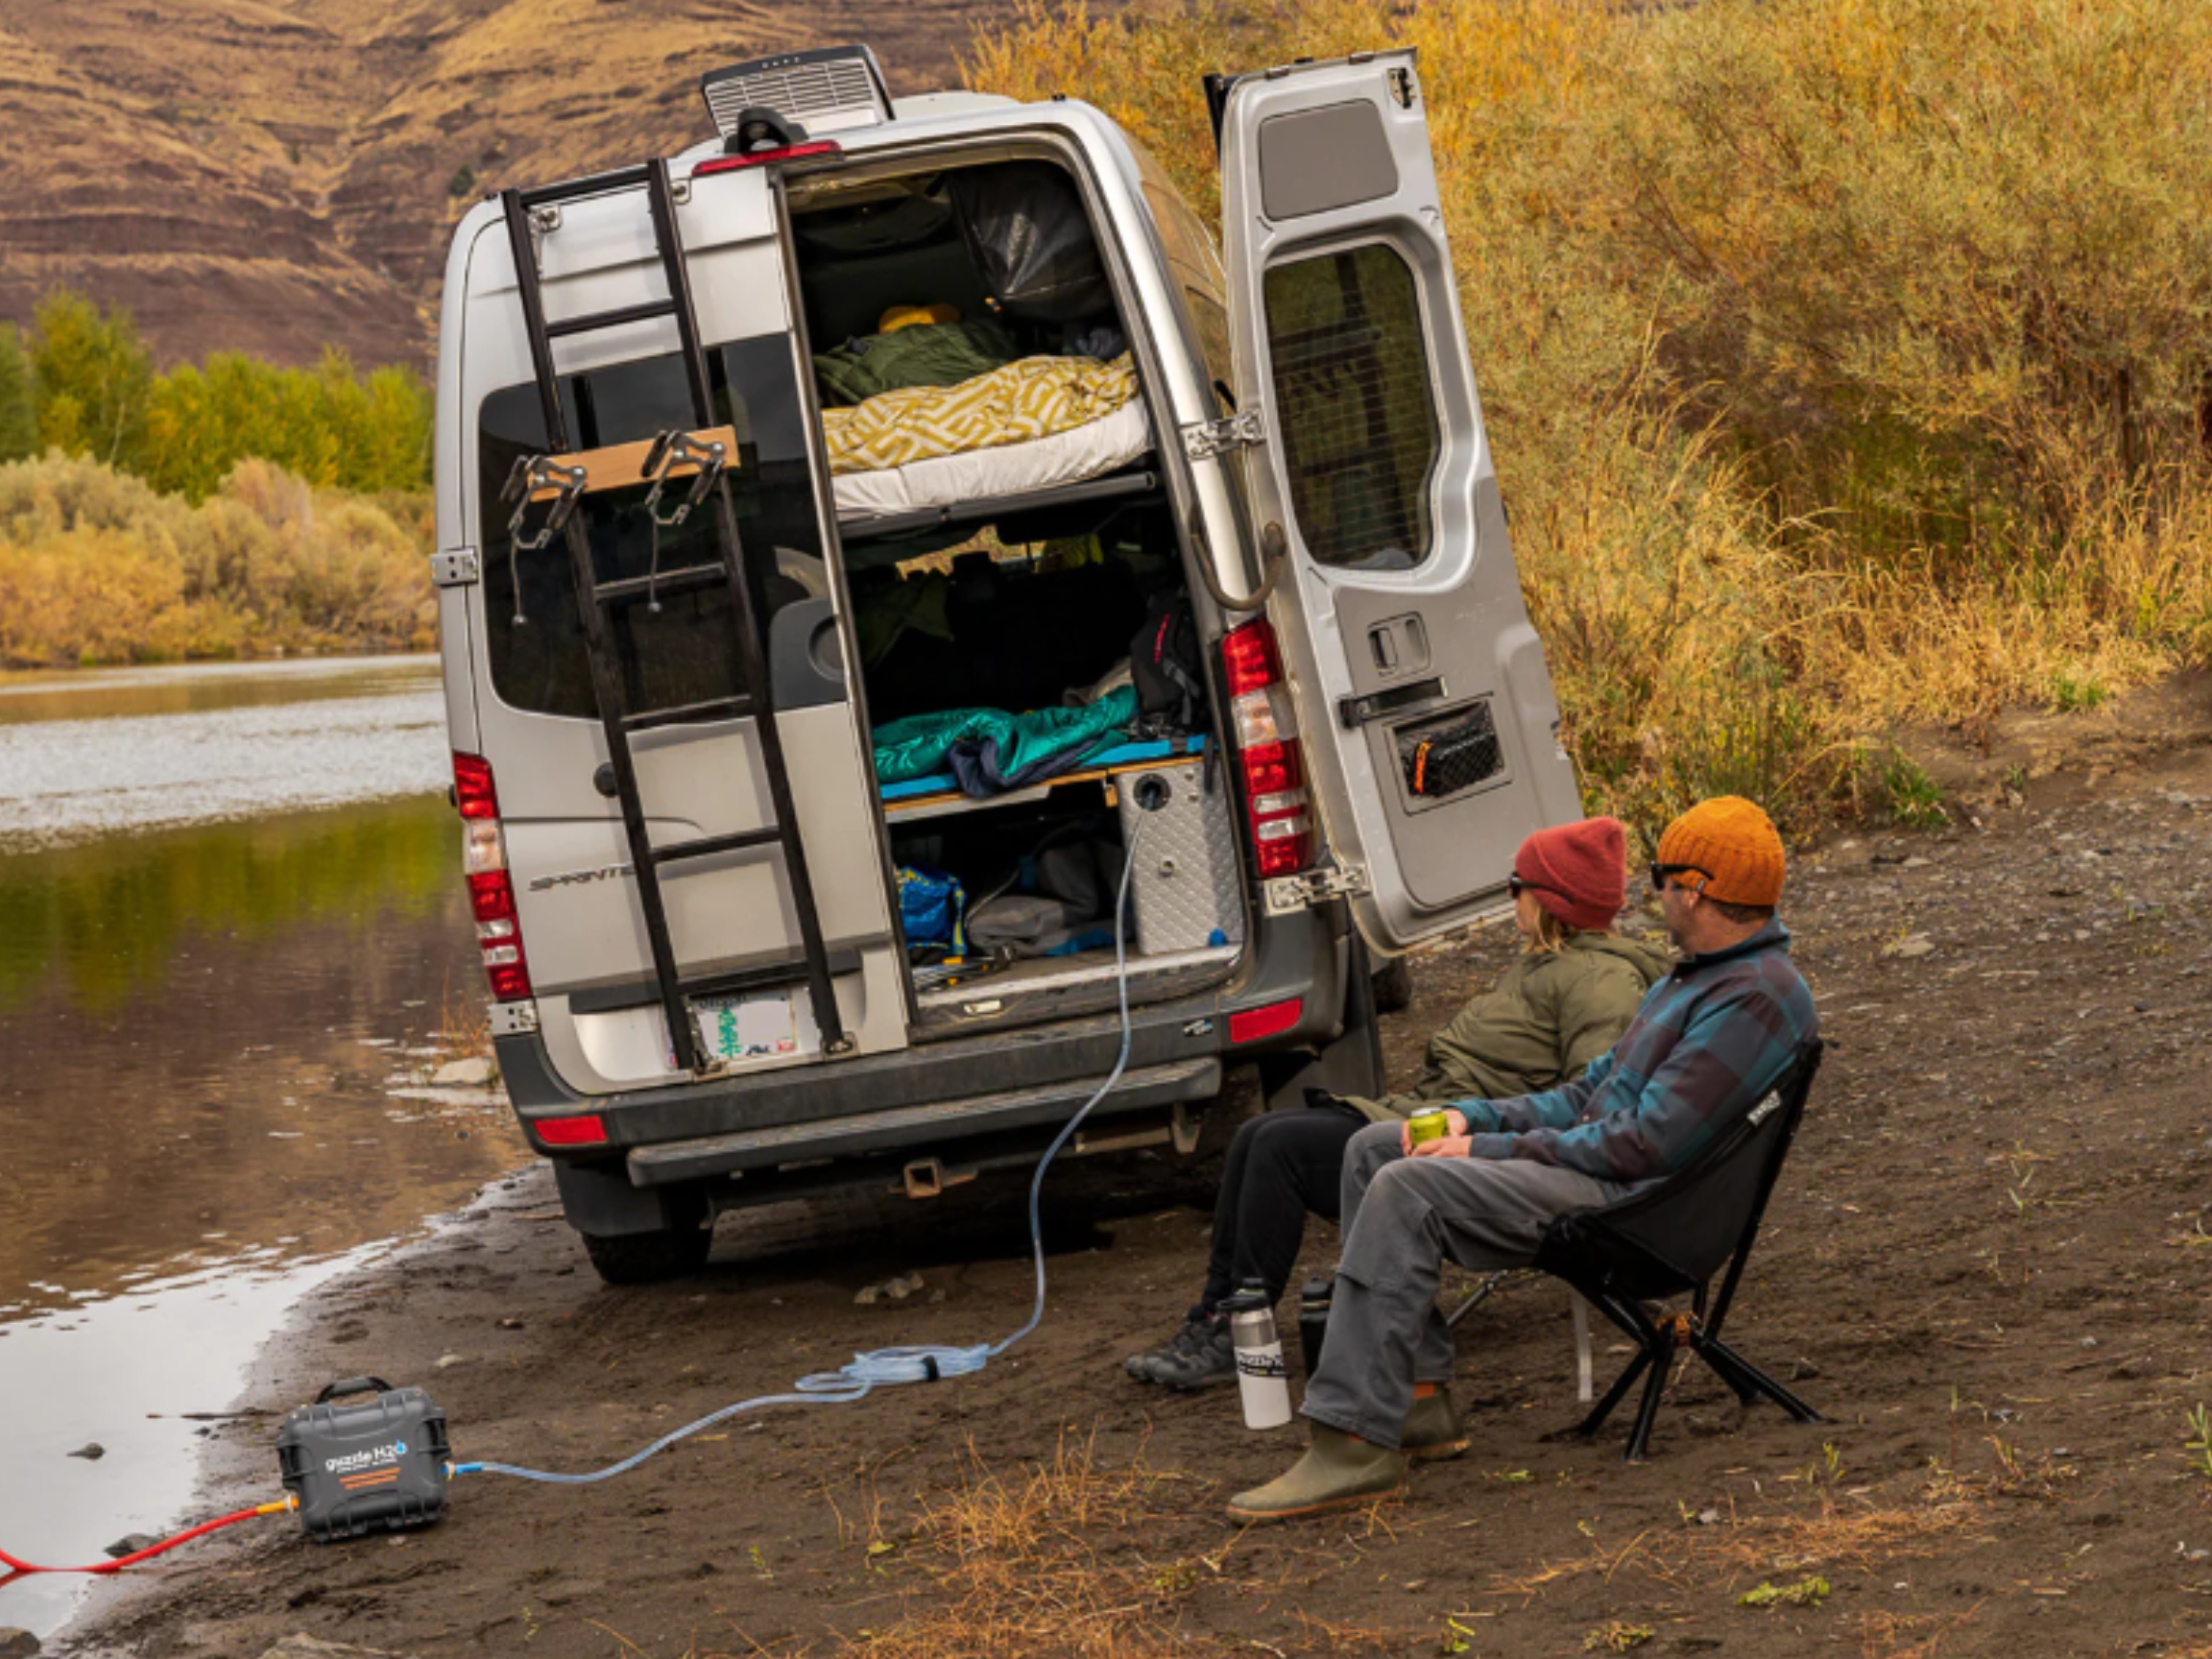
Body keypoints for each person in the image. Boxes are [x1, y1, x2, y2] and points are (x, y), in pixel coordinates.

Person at [1227, 796, 1819, 1523]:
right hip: (1613, 1176)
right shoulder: (1696, 977)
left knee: (1408, 1190)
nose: (1650, 891)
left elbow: (1643, 1145)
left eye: (1661, 876)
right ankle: (1417, 1399)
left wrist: (1485, 1148)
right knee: (1375, 1147)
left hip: (1640, 1212)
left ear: (1695, 889)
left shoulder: (1752, 998)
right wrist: (1466, 1117)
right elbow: (1587, 1096)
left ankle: (1352, 1442)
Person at [1124, 817, 1670, 1389]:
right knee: (1257, 1135)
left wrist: (1488, 1136)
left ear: (1552, 900)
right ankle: (1219, 1317)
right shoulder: (1550, 964)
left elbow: (1592, 1104)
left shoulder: (1599, 983)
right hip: (1433, 1117)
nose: (1511, 896)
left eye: (1517, 883)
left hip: (1471, 1148)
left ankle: (1232, 1332)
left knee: (1277, 1150)